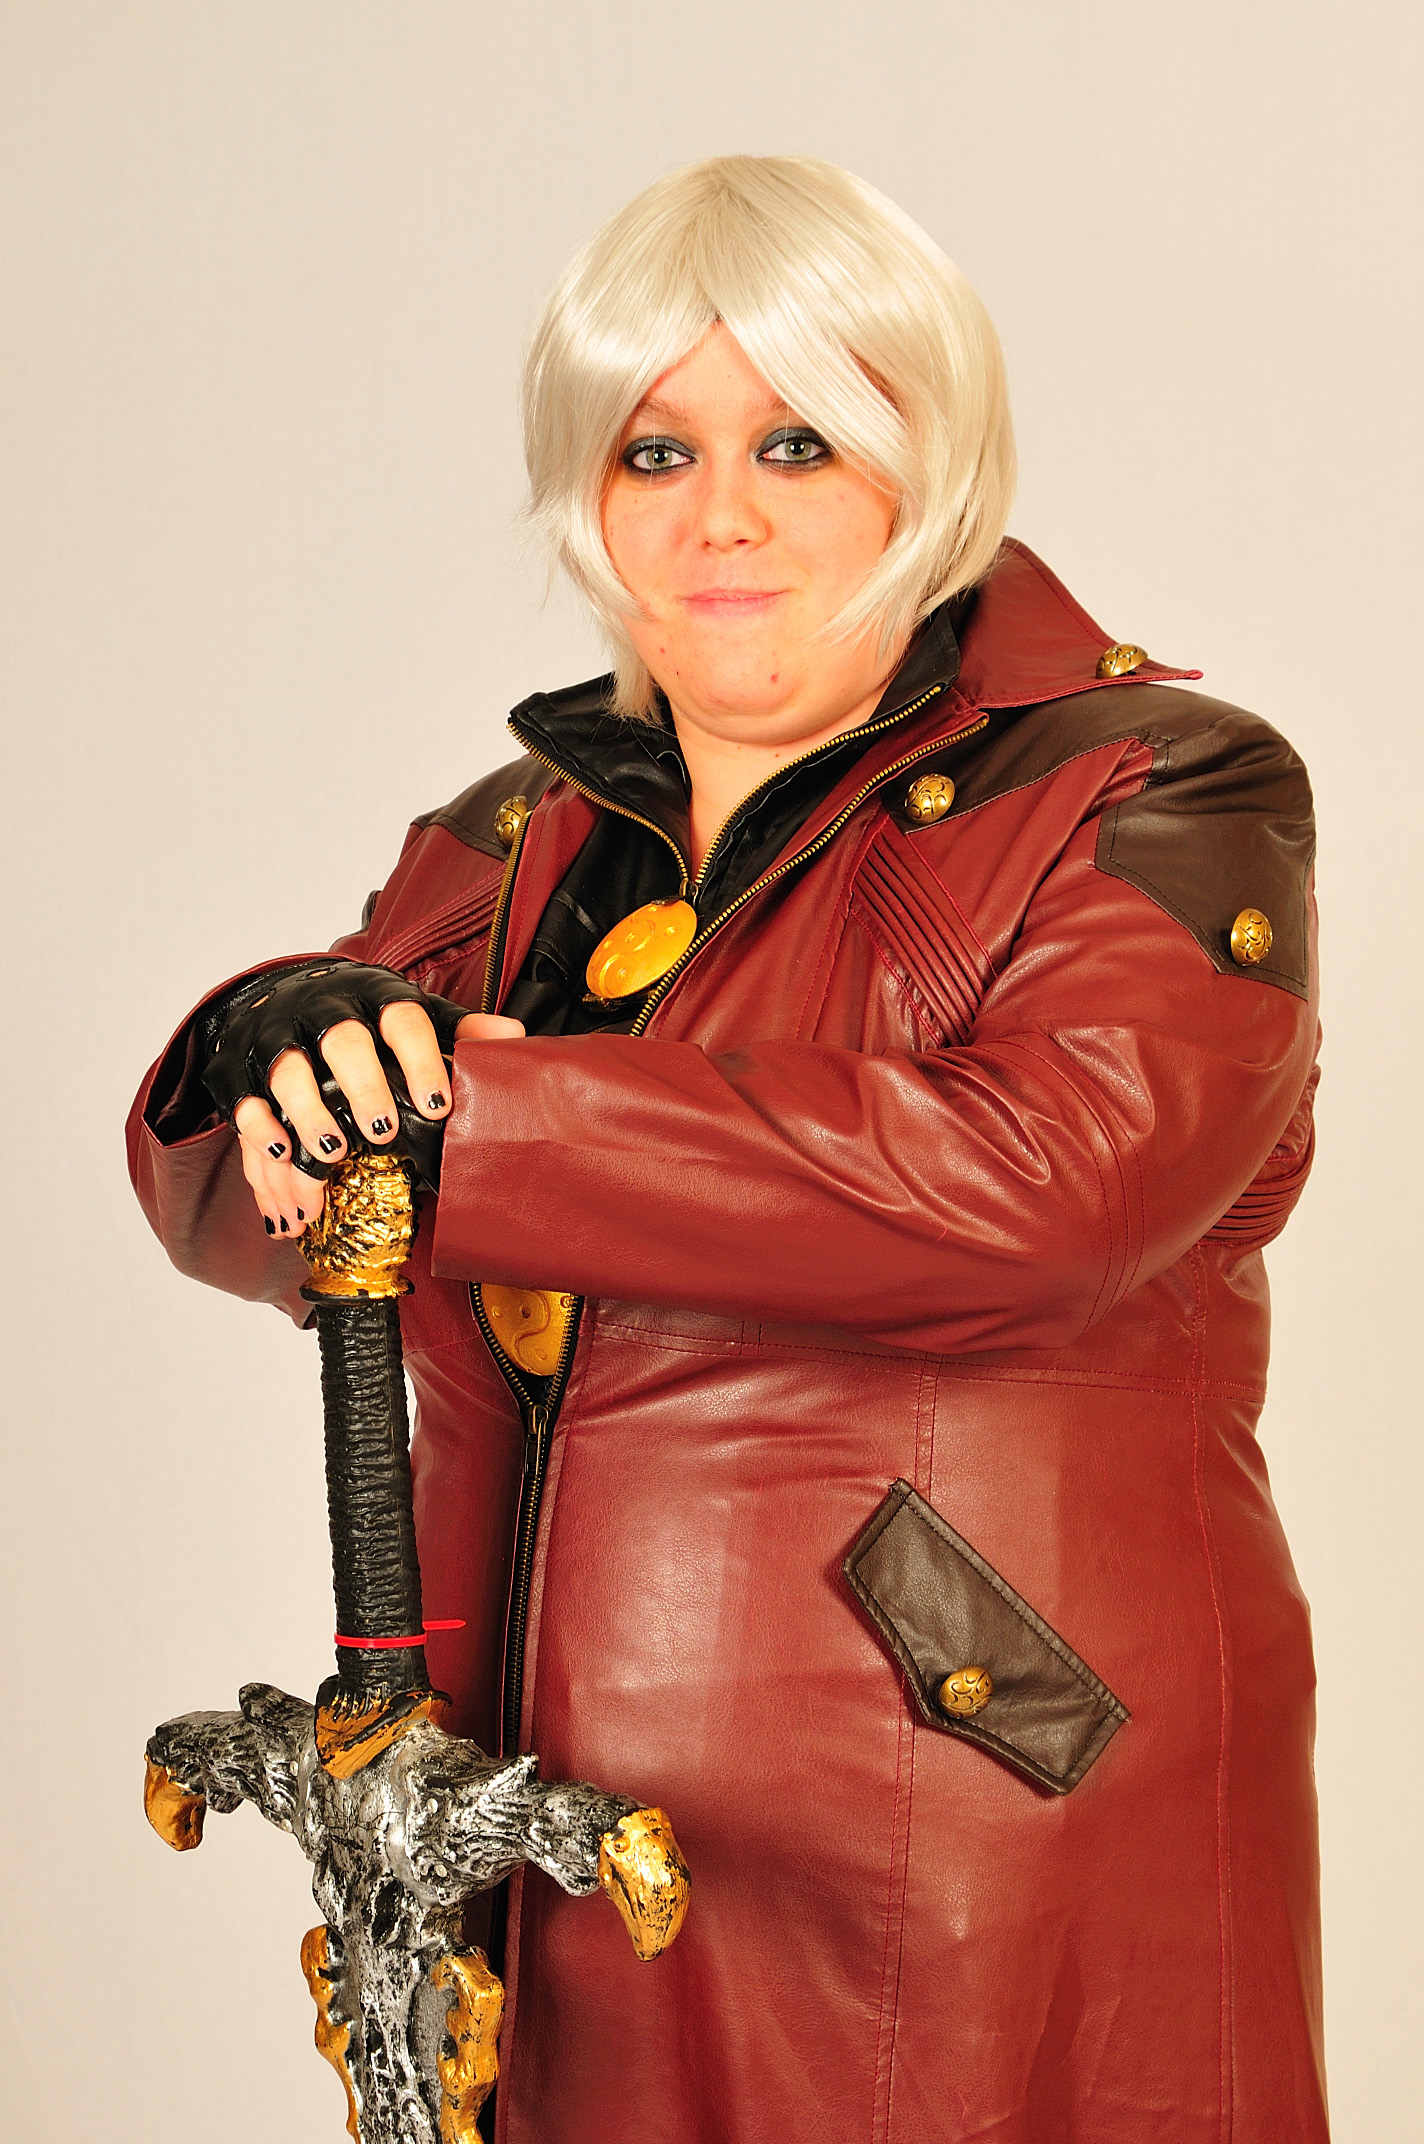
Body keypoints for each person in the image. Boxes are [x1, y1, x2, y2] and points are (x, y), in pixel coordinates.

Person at [128, 156, 1327, 2143]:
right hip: (517, 1806)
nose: (721, 514)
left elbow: (1047, 1184)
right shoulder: (514, 839)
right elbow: (269, 1212)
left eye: (796, 439)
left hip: (956, 1810)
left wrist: (485, 1116)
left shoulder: (1154, 784)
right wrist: (270, 1035)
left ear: (925, 459)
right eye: (654, 450)